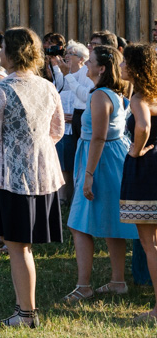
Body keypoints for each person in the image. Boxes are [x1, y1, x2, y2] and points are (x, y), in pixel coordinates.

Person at [0, 27, 64, 328]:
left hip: (11, 175)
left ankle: (26, 314)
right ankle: (23, 309)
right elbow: (57, 130)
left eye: (2, 49)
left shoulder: (2, 89)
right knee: (21, 247)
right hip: (41, 173)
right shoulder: (47, 86)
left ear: (10, 53)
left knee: (17, 247)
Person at [64, 44, 137, 303]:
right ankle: (118, 281)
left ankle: (84, 285)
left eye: (90, 61)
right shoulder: (114, 93)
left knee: (78, 224)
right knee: (111, 223)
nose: (85, 65)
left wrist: (88, 174)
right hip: (114, 157)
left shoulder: (98, 96)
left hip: (101, 160)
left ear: (101, 68)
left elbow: (98, 137)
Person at [120, 43, 157, 323]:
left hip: (146, 170)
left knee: (149, 243)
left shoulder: (140, 98)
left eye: (124, 63)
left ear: (134, 67)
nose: (119, 67)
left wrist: (135, 150)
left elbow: (142, 126)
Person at [52, 41, 92, 201]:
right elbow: (60, 89)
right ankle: (66, 198)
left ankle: (77, 197)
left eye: (70, 53)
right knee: (64, 162)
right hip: (69, 122)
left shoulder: (87, 73)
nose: (66, 56)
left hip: (82, 121)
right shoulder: (70, 74)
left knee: (79, 161)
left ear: (81, 59)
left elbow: (83, 96)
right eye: (66, 53)